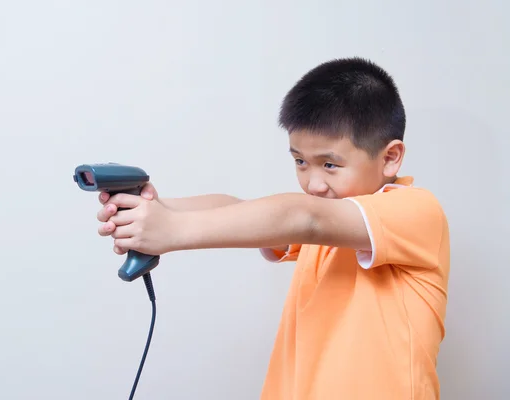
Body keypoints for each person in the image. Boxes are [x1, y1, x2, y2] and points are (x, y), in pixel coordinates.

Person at [95, 57, 450, 399]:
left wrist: (173, 231)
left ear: (390, 157)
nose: (313, 184)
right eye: (300, 162)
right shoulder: (331, 219)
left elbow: (301, 217)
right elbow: (245, 211)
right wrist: (159, 209)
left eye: (329, 164)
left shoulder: (414, 211)